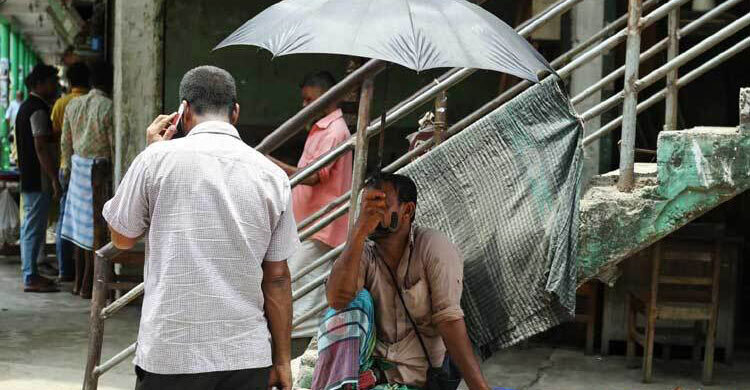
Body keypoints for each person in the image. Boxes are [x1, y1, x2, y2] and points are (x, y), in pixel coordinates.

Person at [102, 65, 299, 390]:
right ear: (235, 112)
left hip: (169, 353)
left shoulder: (155, 160)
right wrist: (281, 361)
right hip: (245, 357)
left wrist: (153, 149)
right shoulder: (272, 176)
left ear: (184, 110)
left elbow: (121, 238)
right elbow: (277, 277)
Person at [318, 174, 490, 390]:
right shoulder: (363, 254)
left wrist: (480, 387)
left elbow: (449, 321)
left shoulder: (432, 246)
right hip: (370, 373)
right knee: (352, 302)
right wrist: (359, 231)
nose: (372, 214)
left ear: (407, 211)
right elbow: (337, 300)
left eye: (380, 205)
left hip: (416, 378)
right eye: (367, 207)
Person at [267, 71, 353, 357]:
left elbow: (315, 176)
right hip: (309, 225)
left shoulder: (335, 130)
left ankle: (299, 360)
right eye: (303, 100)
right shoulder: (322, 128)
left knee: (302, 296)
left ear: (329, 97)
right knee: (298, 290)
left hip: (322, 227)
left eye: (310, 100)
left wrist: (272, 164)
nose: (305, 107)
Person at [60, 61, 113, 298]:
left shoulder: (74, 105)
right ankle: (89, 285)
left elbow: (65, 143)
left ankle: (79, 283)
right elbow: (113, 147)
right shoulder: (108, 107)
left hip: (78, 172)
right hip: (98, 175)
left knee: (80, 231)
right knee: (97, 232)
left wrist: (66, 168)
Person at [15, 64, 61, 293]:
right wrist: (54, 178)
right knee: (33, 228)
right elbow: (41, 146)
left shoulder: (26, 107)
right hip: (38, 177)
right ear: (39, 84)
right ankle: (30, 276)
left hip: (29, 175)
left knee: (30, 227)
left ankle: (30, 272)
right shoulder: (37, 110)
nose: (56, 86)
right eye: (52, 82)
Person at [50, 61, 90, 283]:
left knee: (66, 218)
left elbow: (57, 138)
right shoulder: (101, 104)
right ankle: (82, 269)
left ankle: (65, 269)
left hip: (68, 166)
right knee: (88, 221)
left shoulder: (62, 104)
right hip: (91, 172)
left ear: (70, 82)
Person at [6, 90, 24, 165]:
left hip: (22, 127)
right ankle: (15, 158)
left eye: (20, 95)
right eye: (18, 95)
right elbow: (7, 116)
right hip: (14, 126)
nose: (19, 96)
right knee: (14, 143)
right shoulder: (12, 104)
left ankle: (18, 158)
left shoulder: (23, 103)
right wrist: (9, 127)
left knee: (19, 142)